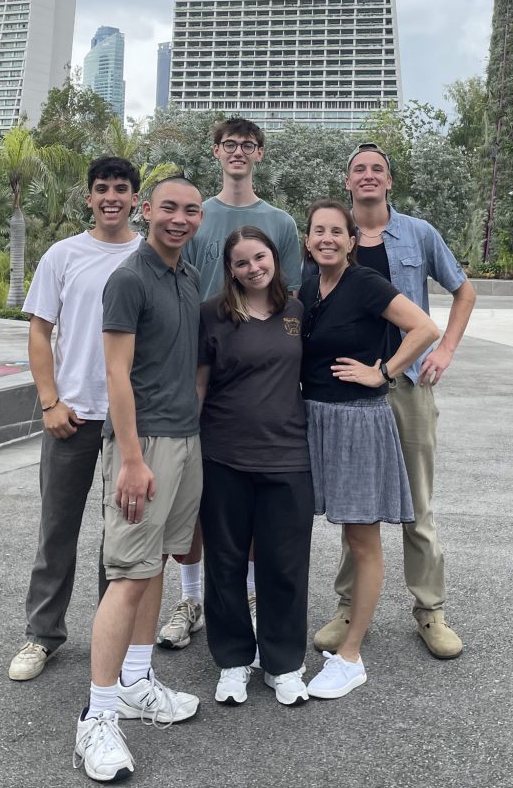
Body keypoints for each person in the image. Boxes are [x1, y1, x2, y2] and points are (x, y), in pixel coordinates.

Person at [314, 143, 477, 660]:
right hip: (347, 393)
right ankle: (348, 607)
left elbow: (463, 291)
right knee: (354, 503)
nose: (367, 176)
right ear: (347, 181)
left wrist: (444, 348)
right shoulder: (334, 237)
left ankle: (430, 609)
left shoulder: (418, 234)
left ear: (389, 181)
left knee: (417, 501)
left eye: (376, 169)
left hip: (403, 386)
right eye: (358, 169)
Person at [73, 177, 204, 784]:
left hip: (184, 440)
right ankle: (95, 719)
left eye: (190, 211)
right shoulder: (128, 278)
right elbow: (116, 373)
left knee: (153, 565)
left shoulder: (188, 277)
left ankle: (137, 680)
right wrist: (130, 457)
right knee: (126, 576)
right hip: (143, 444)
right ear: (146, 210)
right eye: (168, 208)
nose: (179, 219)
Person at [158, 117, 301, 650]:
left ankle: (249, 596)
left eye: (248, 145)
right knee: (196, 497)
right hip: (197, 367)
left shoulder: (280, 224)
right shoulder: (198, 217)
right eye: (229, 144)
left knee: (255, 495)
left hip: (261, 378)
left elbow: (290, 298)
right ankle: (191, 597)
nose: (238, 152)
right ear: (216, 152)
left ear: (259, 154)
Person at [9, 156, 142, 682]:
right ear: (89, 197)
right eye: (102, 189)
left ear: (137, 198)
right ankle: (42, 635)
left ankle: (116, 639)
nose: (111, 197)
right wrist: (49, 401)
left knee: (123, 538)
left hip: (129, 423)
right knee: (56, 531)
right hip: (73, 418)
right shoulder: (63, 255)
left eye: (121, 189)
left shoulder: (150, 255)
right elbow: (40, 333)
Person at [299, 200, 439, 699]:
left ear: (352, 240)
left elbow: (425, 328)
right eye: (319, 231)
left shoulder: (365, 283)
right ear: (308, 240)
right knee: (295, 527)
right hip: (312, 420)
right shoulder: (307, 287)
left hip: (359, 421)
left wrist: (383, 372)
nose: (328, 239)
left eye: (338, 231)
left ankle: (352, 655)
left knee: (363, 539)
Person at [197, 226, 313, 707]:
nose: (253, 268)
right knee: (224, 563)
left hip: (288, 457)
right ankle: (233, 661)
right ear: (230, 269)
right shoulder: (212, 315)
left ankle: (283, 663)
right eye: (242, 262)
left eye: (260, 258)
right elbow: (198, 386)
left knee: (284, 565)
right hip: (224, 456)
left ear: (274, 258)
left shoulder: (297, 311)